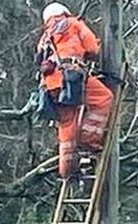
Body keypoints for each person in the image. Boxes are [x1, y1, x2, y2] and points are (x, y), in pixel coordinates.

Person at [35, 3, 114, 179]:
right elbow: (93, 48)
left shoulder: (44, 37)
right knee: (104, 98)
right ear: (64, 12)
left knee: (66, 123)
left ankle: (67, 169)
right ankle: (88, 143)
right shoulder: (73, 23)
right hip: (69, 76)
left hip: (49, 85)